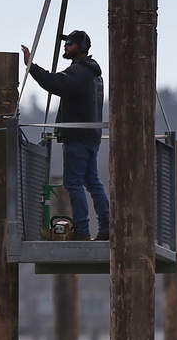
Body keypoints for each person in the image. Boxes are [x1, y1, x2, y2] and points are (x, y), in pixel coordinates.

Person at [21, 30, 110, 241]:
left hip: (78, 138)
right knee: (92, 182)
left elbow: (55, 83)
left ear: (80, 47)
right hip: (90, 137)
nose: (65, 46)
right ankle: (106, 226)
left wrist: (31, 66)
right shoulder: (93, 72)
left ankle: (81, 231)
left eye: (69, 43)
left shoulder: (80, 72)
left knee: (73, 184)